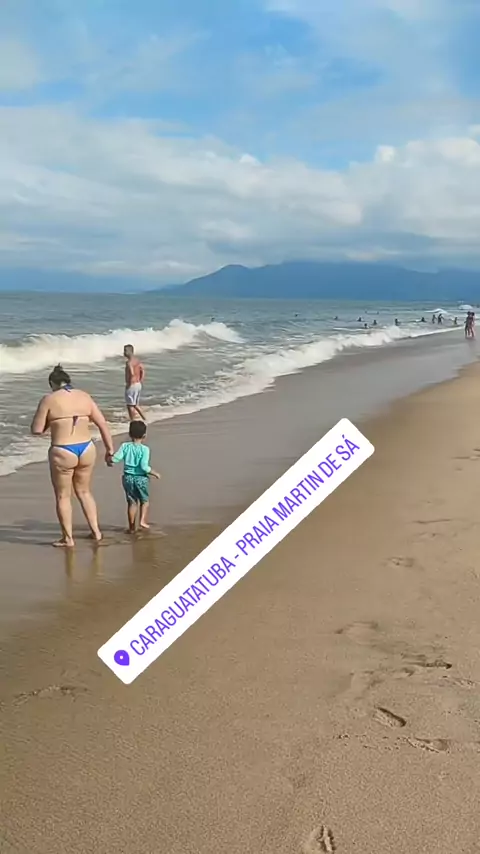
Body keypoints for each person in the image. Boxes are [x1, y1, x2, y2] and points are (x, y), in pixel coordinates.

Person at [30, 364, 114, 547]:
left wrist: (50, 422)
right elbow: (102, 423)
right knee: (84, 492)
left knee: (63, 496)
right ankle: (96, 532)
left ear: (52, 383)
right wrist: (110, 450)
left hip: (63, 451)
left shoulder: (49, 399)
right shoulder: (84, 396)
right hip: (87, 448)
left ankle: (68, 539)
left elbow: (36, 430)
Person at [108, 420, 160, 532]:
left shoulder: (125, 446)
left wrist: (109, 459)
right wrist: (154, 473)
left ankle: (131, 527)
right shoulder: (145, 449)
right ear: (144, 435)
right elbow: (144, 466)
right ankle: (142, 521)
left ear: (129, 434)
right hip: (141, 478)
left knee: (132, 502)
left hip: (128, 478)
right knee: (144, 500)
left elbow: (115, 459)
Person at [123, 344, 146, 422]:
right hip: (138, 384)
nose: (124, 353)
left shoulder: (129, 363)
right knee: (136, 404)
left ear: (128, 352)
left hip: (132, 385)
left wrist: (129, 384)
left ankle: (132, 421)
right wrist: (141, 380)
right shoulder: (137, 361)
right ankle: (145, 419)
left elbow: (132, 373)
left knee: (130, 405)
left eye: (125, 351)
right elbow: (142, 370)